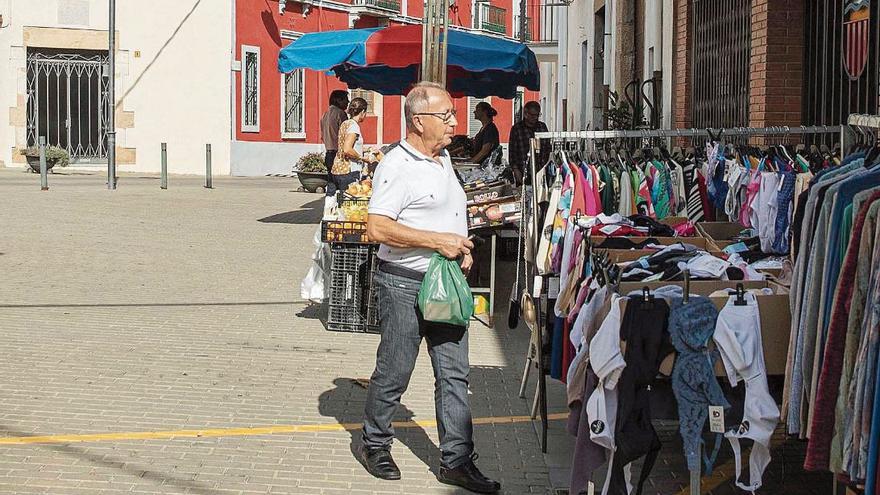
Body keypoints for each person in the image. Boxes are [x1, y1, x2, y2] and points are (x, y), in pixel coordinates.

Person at [360, 81, 501, 494]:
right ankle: (375, 443)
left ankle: (456, 461)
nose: (456, 122)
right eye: (447, 116)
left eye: (455, 115)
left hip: (446, 281)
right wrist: (438, 241)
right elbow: (377, 227)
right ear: (418, 121)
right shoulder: (396, 165)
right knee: (395, 369)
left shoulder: (442, 161)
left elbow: (445, 215)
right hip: (404, 284)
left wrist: (460, 246)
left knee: (455, 374)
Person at [331, 97, 376, 194]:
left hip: (338, 168)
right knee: (349, 202)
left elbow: (348, 145)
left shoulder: (345, 123)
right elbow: (347, 149)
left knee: (339, 201)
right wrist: (362, 159)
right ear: (363, 112)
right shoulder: (354, 126)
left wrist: (367, 149)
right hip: (349, 170)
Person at [507, 101, 549, 185]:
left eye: (537, 115)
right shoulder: (517, 128)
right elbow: (512, 151)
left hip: (541, 171)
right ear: (526, 114)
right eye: (533, 115)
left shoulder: (542, 127)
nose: (535, 118)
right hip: (523, 171)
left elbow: (547, 148)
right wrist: (515, 170)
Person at [320, 90, 349, 195]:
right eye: (346, 100)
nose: (348, 102)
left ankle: (329, 208)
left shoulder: (325, 114)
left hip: (329, 154)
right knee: (343, 189)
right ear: (339, 100)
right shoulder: (341, 114)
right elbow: (346, 135)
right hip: (339, 155)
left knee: (331, 186)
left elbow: (322, 136)